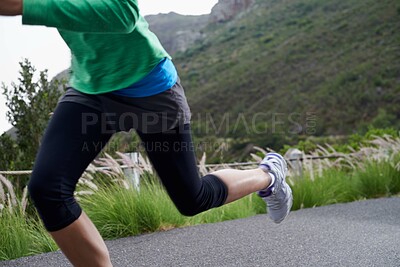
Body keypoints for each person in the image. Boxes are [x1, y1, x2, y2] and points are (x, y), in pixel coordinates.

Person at [0, 1, 293, 266]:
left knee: (193, 199)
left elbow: (123, 13)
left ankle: (268, 174)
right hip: (90, 86)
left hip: (149, 86)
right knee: (47, 189)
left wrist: (29, 5)